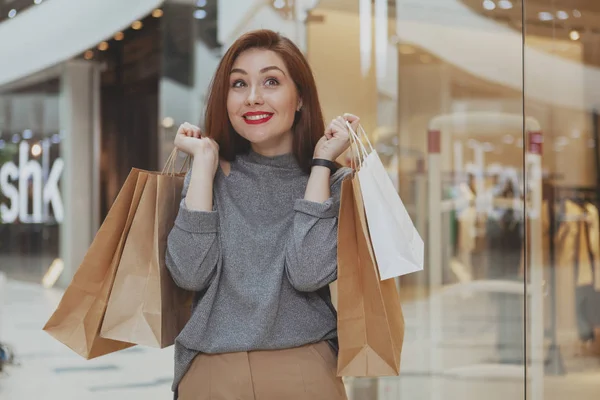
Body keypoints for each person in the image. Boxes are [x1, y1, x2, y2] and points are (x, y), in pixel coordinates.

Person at [166, 29, 359, 400]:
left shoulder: (335, 183)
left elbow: (307, 272)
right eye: (239, 84)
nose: (253, 97)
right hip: (211, 371)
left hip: (305, 367)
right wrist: (203, 166)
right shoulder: (207, 176)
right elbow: (189, 273)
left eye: (271, 81)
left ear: (300, 97)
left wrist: (321, 164)